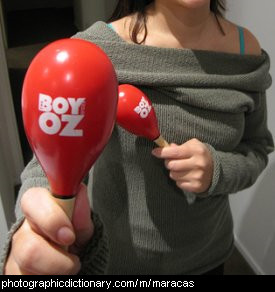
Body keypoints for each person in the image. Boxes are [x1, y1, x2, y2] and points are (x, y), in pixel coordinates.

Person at [1, 0, 274, 275]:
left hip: (210, 258)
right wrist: (35, 230)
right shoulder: (94, 51)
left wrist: (218, 170)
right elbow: (50, 164)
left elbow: (257, 148)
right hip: (121, 266)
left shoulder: (246, 50)